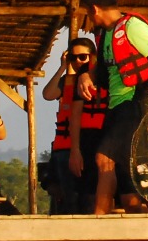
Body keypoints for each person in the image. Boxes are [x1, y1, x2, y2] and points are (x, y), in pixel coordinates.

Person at [82, 0, 148, 214]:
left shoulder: (131, 27)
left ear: (94, 8)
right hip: (115, 107)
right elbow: (102, 69)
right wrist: (86, 76)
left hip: (135, 103)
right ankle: (147, 233)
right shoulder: (104, 35)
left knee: (104, 159)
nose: (89, 18)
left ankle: (97, 225)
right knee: (127, 185)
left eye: (87, 12)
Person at [41, 36, 106, 214]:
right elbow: (47, 94)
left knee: (89, 197)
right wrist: (63, 66)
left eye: (83, 57)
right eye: (73, 57)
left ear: (93, 56)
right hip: (65, 149)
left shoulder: (103, 79)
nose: (78, 61)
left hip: (93, 145)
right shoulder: (67, 81)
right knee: (68, 198)